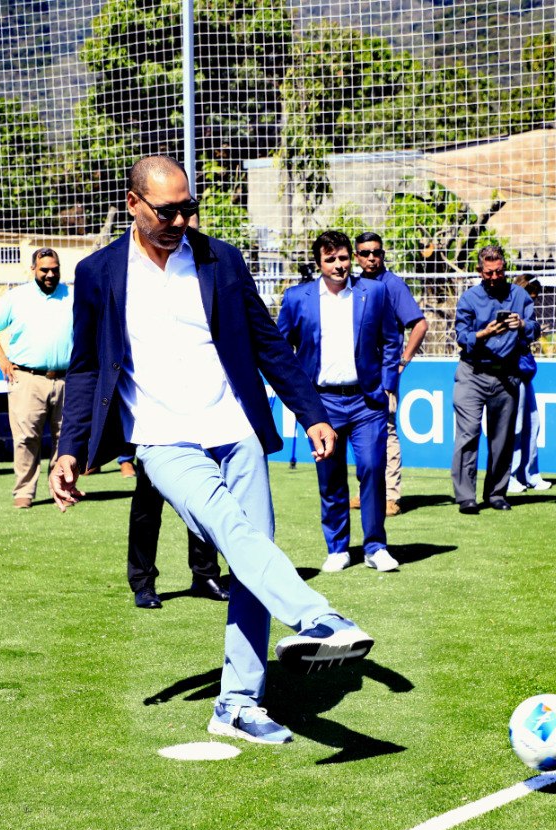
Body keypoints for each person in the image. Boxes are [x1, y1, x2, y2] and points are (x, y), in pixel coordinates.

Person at [50, 155, 373, 746]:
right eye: (167, 210)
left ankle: (238, 703)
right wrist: (69, 448)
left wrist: (312, 412)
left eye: (186, 207)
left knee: (252, 555)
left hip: (235, 425)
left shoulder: (220, 258)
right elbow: (88, 366)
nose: (180, 219)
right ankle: (315, 616)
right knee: (232, 529)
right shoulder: (98, 274)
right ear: (133, 204)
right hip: (160, 436)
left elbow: (266, 342)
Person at [278, 231, 402, 573]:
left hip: (366, 402)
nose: (339, 265)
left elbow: (392, 340)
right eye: (330, 259)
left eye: (344, 258)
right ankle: (337, 548)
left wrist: (388, 384)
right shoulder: (297, 298)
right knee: (330, 477)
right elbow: (278, 349)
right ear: (319, 263)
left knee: (373, 468)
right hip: (321, 405)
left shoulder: (373, 293)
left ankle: (376, 546)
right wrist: (297, 395)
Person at [0, 248, 73, 508]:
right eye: (44, 269)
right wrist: (1, 358)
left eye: (55, 269)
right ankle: (24, 492)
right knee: (26, 438)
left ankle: (62, 488)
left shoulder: (71, 296)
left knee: (65, 436)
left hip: (66, 379)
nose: (50, 274)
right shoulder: (16, 297)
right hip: (27, 377)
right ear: (33, 269)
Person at [451, 245, 537, 513]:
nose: (494, 277)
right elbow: (461, 336)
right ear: (480, 271)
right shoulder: (469, 298)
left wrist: (522, 325)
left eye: (499, 271)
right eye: (489, 272)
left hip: (507, 375)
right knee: (468, 434)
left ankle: (496, 493)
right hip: (473, 373)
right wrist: (484, 333)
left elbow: (535, 329)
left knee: (503, 438)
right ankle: (466, 496)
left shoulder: (520, 296)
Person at [354, 231, 426, 516]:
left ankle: (391, 496)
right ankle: (367, 493)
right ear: (357, 256)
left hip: (384, 374)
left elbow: (419, 324)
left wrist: (402, 361)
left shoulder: (392, 285)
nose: (372, 257)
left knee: (387, 432)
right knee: (362, 435)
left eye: (377, 252)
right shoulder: (354, 284)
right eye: (366, 253)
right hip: (357, 373)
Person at [127, 458, 230, 606]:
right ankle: (142, 583)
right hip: (152, 439)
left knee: (201, 498)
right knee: (147, 505)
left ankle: (205, 575)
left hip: (198, 437)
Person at [509, 275, 552, 494]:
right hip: (512, 372)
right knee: (515, 426)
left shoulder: (527, 313)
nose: (533, 301)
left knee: (533, 424)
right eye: (531, 296)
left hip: (525, 371)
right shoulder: (509, 309)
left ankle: (530, 474)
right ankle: (510, 475)